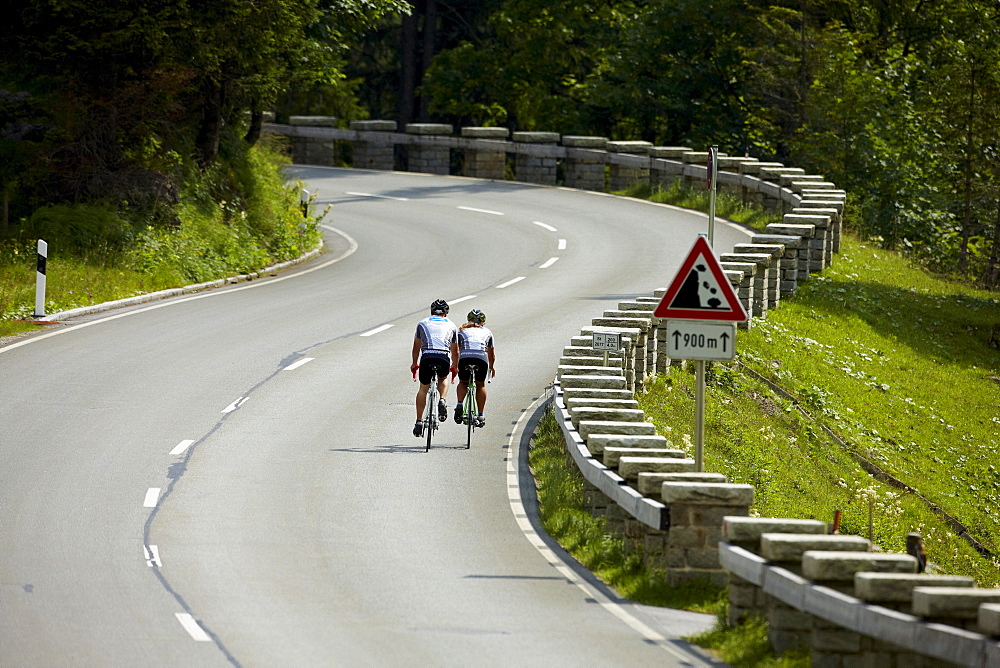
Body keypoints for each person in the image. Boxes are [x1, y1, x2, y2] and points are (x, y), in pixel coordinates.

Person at [411, 299, 459, 438]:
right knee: (443, 378)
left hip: (427, 357)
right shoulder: (451, 325)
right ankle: (442, 399)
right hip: (443, 357)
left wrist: (414, 363)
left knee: (423, 389)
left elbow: (416, 347)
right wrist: (455, 366)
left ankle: (419, 422)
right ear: (446, 313)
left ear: (431, 312)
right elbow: (455, 351)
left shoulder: (422, 323)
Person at [454, 309, 495, 428]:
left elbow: (456, 350)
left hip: (465, 358)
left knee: (463, 382)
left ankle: (460, 403)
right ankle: (481, 414)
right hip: (481, 359)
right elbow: (491, 354)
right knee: (480, 385)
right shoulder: (487, 332)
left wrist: (456, 365)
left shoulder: (461, 331)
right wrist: (491, 367)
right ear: (483, 322)